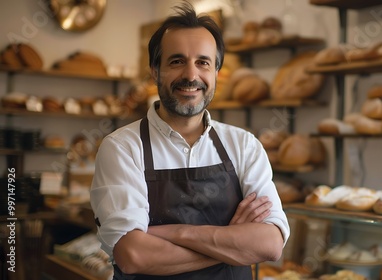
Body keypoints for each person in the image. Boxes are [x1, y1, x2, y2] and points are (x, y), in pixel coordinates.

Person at [90, 2, 290, 279]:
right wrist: (232, 242)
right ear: (155, 71)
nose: (191, 75)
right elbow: (133, 255)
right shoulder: (122, 148)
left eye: (203, 63)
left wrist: (176, 232)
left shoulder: (244, 146)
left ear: (216, 73)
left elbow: (269, 244)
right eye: (177, 61)